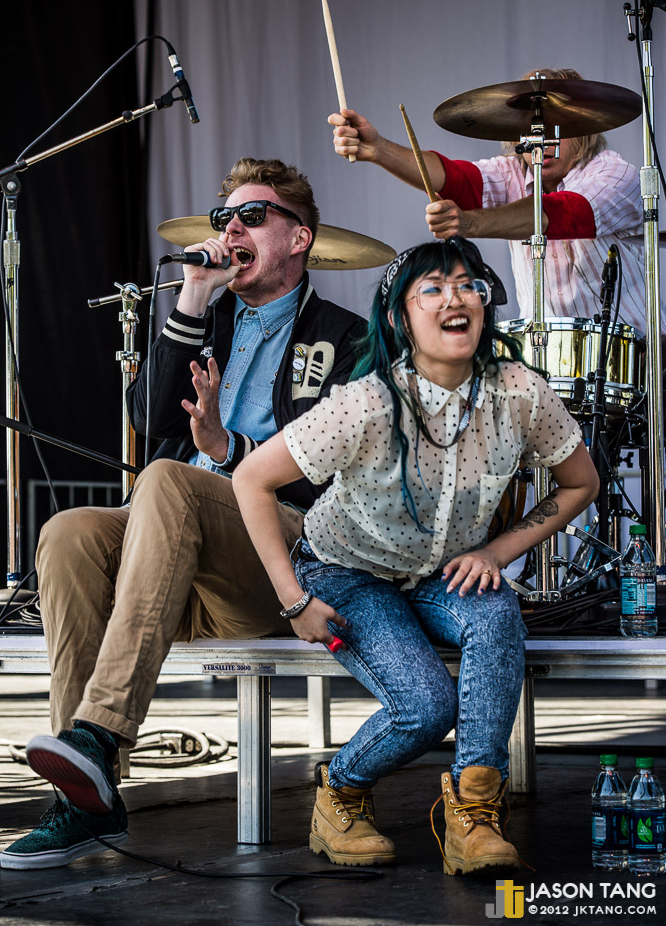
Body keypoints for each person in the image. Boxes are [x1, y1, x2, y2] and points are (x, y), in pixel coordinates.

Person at [0, 158, 366, 871]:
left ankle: (99, 735)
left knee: (168, 480)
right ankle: (85, 797)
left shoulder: (347, 337)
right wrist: (194, 296)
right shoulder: (206, 317)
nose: (232, 229)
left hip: (277, 550)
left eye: (253, 217)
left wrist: (230, 450)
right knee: (69, 532)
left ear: (300, 238)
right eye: (224, 218)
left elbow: (335, 474)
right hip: (173, 548)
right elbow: (148, 418)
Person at [232, 236, 599, 874]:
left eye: (468, 285)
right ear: (401, 318)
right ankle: (340, 792)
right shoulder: (366, 402)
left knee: (495, 612)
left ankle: (474, 817)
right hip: (346, 572)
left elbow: (580, 483)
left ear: (484, 304)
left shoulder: (519, 393)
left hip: (440, 572)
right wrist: (294, 599)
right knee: (427, 707)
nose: (455, 298)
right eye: (432, 288)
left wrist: (497, 551)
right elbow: (250, 479)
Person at [328, 67, 666, 338]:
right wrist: (379, 150)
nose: (543, 140)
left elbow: (564, 212)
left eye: (558, 128)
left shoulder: (615, 173)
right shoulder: (513, 171)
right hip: (546, 358)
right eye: (533, 129)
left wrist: (470, 223)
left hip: (632, 359)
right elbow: (455, 179)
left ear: (586, 130)